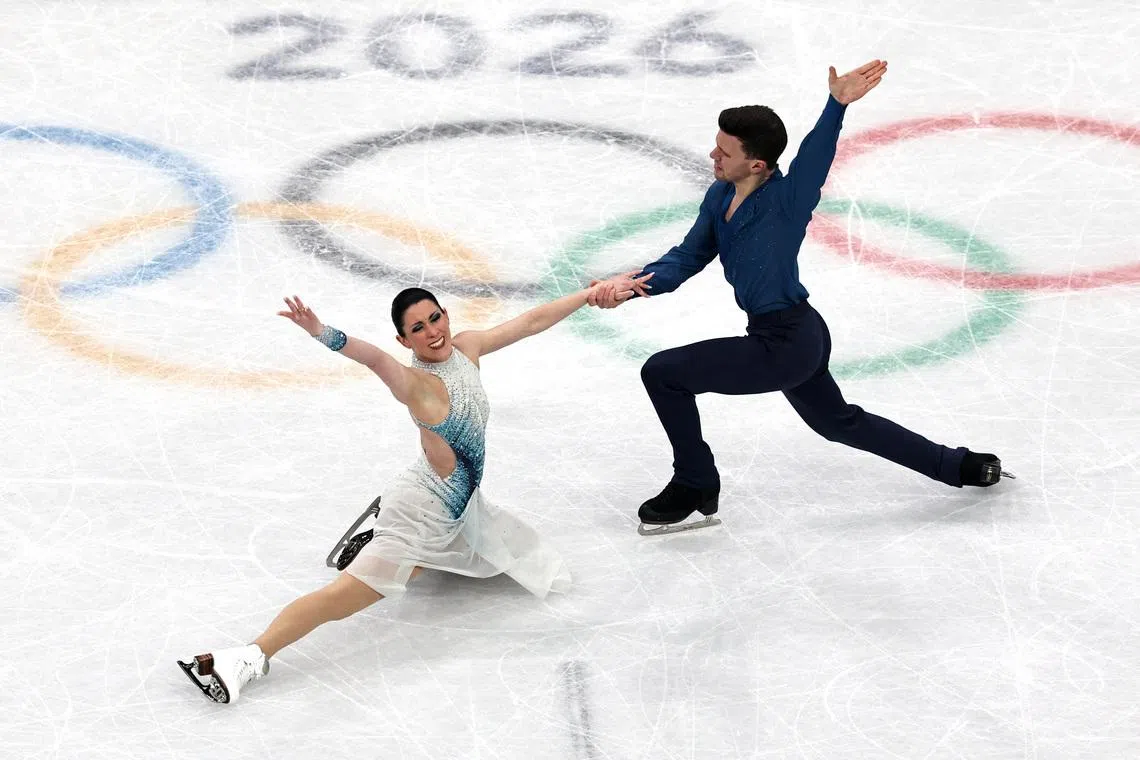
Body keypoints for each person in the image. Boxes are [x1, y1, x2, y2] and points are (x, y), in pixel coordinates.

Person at [177, 277, 648, 703]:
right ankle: (245, 658)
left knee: (518, 557)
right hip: (423, 512)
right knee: (346, 597)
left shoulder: (467, 348)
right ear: (405, 340)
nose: (432, 331)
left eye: (435, 317)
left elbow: (529, 321)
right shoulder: (417, 384)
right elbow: (375, 358)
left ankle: (379, 543)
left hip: (456, 508)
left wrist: (589, 295)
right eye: (418, 328)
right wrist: (322, 332)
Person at [589, 60, 1010, 535]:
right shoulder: (717, 197)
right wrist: (634, 285)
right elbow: (688, 256)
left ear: (758, 164)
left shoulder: (788, 200)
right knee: (838, 422)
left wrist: (837, 105)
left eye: (724, 151)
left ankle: (695, 482)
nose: (713, 155)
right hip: (791, 333)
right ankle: (959, 465)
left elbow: (815, 154)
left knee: (663, 373)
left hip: (787, 342)